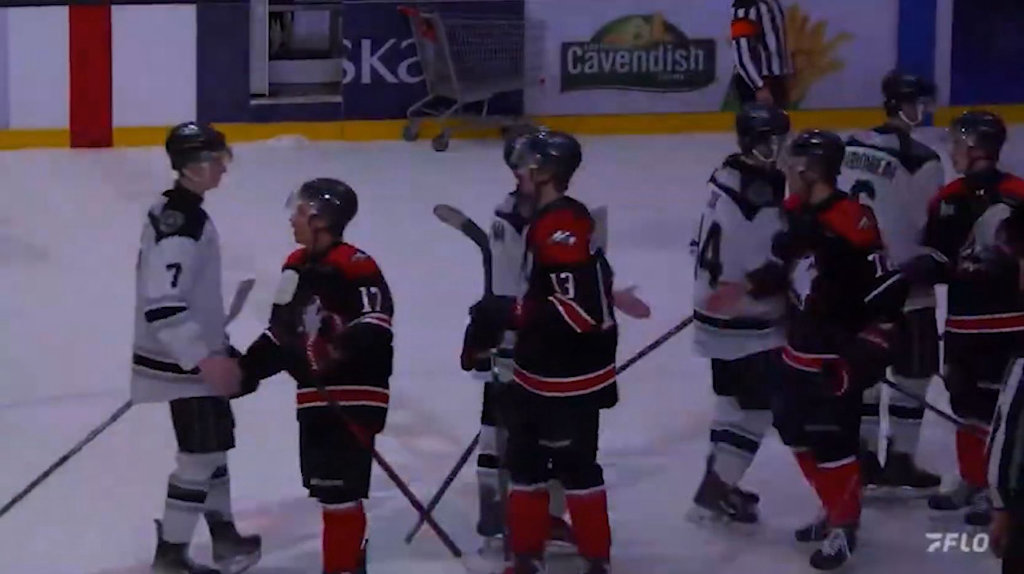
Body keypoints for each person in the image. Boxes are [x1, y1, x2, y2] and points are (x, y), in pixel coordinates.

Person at [709, 130, 909, 569]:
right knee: (793, 429)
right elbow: (789, 269)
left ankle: (844, 525)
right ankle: (833, 507)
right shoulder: (794, 212)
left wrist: (866, 352)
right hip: (798, 347)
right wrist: (746, 287)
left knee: (833, 440)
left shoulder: (852, 219)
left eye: (791, 164)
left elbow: (885, 291)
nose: (785, 171)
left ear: (808, 170)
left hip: (835, 356)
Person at [462, 128, 651, 554]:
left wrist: (608, 295)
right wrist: (499, 337)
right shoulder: (516, 216)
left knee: (548, 449)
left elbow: (578, 280)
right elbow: (517, 290)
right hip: (530, 344)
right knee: (505, 434)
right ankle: (502, 517)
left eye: (525, 163)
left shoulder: (566, 217)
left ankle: (542, 522)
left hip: (551, 350)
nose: (517, 171)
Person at [237, 178, 393, 574]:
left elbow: (376, 322)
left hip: (355, 397)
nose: (293, 218)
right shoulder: (294, 265)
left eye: (301, 211)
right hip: (313, 398)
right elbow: (281, 333)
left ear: (322, 220)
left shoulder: (356, 264)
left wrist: (338, 346)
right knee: (328, 492)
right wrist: (245, 370)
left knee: (341, 495)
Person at [131, 122, 261, 574]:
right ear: (192, 166)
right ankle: (171, 555)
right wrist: (203, 358)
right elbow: (162, 303)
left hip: (191, 358)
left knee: (213, 449)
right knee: (199, 456)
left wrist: (217, 347)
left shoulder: (181, 210)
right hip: (182, 365)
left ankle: (223, 535)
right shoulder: (181, 224)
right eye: (217, 159)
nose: (224, 168)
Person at [901, 110, 1024, 527]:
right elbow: (940, 255)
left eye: (957, 143)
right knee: (964, 402)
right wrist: (924, 266)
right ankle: (973, 480)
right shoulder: (947, 199)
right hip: (961, 325)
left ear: (975, 147)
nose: (952, 151)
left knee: (999, 410)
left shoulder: (1018, 196)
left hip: (1009, 326)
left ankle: (996, 489)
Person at [838, 71, 944, 490]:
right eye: (920, 102)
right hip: (906, 283)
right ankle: (900, 458)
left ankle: (862, 455)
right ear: (904, 103)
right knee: (913, 373)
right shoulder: (923, 160)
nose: (925, 109)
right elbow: (925, 225)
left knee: (865, 371)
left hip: (857, 279)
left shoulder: (848, 146)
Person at [687, 102, 790, 524]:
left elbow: (698, 244)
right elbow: (769, 265)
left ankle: (721, 485)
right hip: (747, 320)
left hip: (714, 314)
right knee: (758, 411)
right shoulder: (759, 194)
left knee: (732, 405)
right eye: (770, 140)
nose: (778, 148)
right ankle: (714, 491)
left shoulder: (725, 174)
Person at [730, 0, 791, 107]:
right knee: (759, 117)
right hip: (758, 80)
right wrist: (759, 86)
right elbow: (742, 52)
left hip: (775, 80)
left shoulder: (772, 3)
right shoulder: (746, 7)